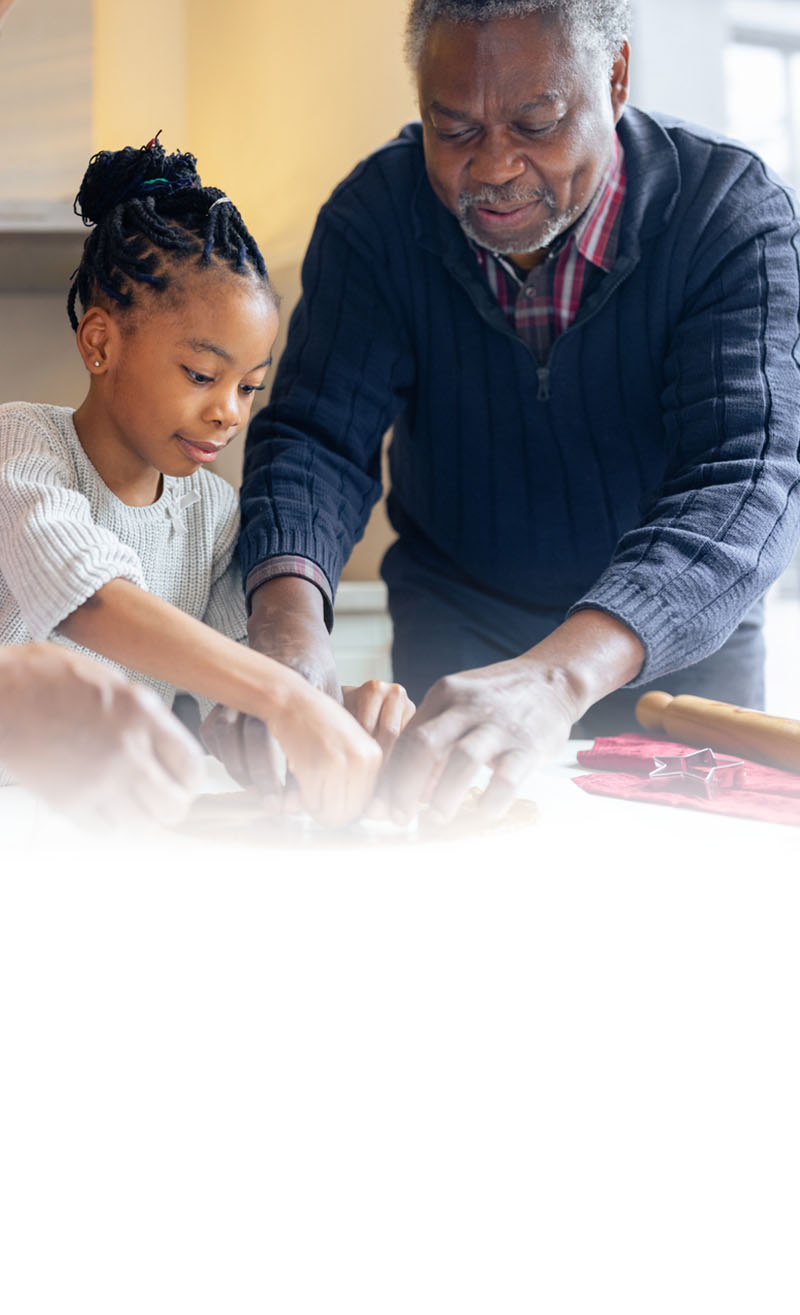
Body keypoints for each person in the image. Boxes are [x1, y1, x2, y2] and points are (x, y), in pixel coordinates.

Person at [238, 0, 800, 823]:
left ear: (614, 80)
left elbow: (748, 479)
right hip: (459, 637)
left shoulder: (728, 213)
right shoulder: (375, 221)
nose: (496, 167)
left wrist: (559, 673)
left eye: (536, 123)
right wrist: (286, 632)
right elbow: (315, 439)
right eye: (454, 129)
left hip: (675, 669)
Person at [0, 137, 414, 827]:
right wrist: (287, 701)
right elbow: (89, 599)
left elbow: (248, 679)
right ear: (100, 344)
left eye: (250, 386)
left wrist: (342, 710)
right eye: (202, 375)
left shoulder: (213, 512)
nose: (230, 411)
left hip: (109, 839)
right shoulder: (22, 444)